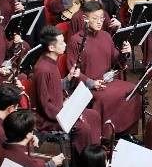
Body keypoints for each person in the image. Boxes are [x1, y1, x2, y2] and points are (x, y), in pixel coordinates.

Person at [66, 0, 137, 136]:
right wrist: (92, 83)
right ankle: (105, 136)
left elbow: (117, 61)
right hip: (88, 86)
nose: (99, 22)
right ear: (85, 19)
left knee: (133, 90)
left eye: (102, 18)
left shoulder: (106, 36)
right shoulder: (75, 40)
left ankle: (125, 133)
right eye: (95, 18)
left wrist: (125, 53)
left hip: (107, 81)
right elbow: (72, 71)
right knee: (106, 99)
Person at [31, 25, 102, 154]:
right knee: (83, 128)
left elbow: (53, 87)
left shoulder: (51, 62)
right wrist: (67, 114)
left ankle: (95, 154)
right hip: (50, 119)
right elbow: (45, 104)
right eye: (61, 42)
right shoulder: (43, 69)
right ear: (51, 47)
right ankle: (82, 160)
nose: (65, 44)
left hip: (61, 109)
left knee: (94, 116)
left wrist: (68, 78)